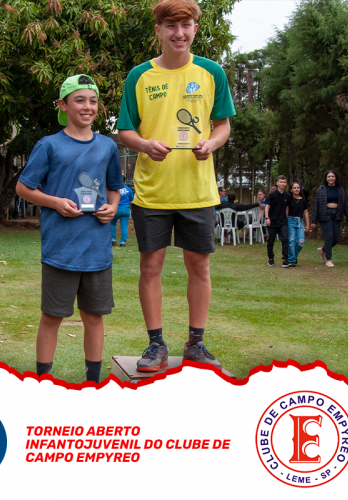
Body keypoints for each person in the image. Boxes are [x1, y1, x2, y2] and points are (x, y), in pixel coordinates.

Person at [117, 0, 235, 371]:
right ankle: (156, 345)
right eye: (171, 26)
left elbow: (223, 125)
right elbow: (125, 130)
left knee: (199, 269)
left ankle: (196, 344)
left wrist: (212, 144)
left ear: (195, 29)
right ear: (159, 30)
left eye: (185, 25)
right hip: (152, 192)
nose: (178, 33)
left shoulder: (212, 72)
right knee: (150, 268)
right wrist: (144, 145)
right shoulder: (139, 76)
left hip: (197, 191)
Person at [16, 74, 124, 383]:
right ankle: (43, 382)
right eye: (79, 100)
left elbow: (114, 187)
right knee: (52, 317)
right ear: (63, 105)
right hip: (60, 249)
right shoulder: (49, 145)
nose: (87, 107)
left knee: (94, 317)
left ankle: (92, 382)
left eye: (93, 101)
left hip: (97, 250)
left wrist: (112, 206)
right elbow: (23, 188)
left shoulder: (107, 146)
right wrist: (55, 203)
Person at [311, 170, 348, 267]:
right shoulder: (321, 189)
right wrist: (314, 220)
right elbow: (316, 205)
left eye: (332, 176)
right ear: (326, 178)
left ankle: (323, 250)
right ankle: (328, 259)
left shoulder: (340, 189)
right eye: (329, 176)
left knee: (336, 238)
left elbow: (344, 205)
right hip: (325, 214)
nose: (331, 178)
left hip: (337, 214)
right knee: (329, 237)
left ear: (336, 178)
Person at [265, 175, 291, 267]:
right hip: (272, 221)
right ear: (277, 183)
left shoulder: (288, 196)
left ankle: (285, 259)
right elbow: (267, 206)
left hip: (283, 222)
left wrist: (286, 218)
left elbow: (287, 208)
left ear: (286, 183)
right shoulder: (272, 195)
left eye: (284, 182)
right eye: (281, 182)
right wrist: (267, 218)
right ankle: (271, 258)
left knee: (285, 240)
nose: (282, 184)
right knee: (271, 240)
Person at [287, 182, 309, 266]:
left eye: (298, 188)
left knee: (301, 242)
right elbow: (287, 210)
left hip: (300, 222)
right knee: (291, 240)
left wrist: (307, 224)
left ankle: (293, 256)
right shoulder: (289, 199)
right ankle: (292, 260)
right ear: (291, 190)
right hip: (291, 220)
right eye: (294, 188)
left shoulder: (303, 200)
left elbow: (306, 212)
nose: (296, 189)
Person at [111, 174, 134, 247]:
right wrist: (130, 209)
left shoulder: (114, 189)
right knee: (124, 226)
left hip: (116, 209)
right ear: (124, 181)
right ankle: (122, 242)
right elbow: (131, 201)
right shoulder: (128, 189)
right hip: (125, 209)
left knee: (112, 224)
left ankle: (113, 240)